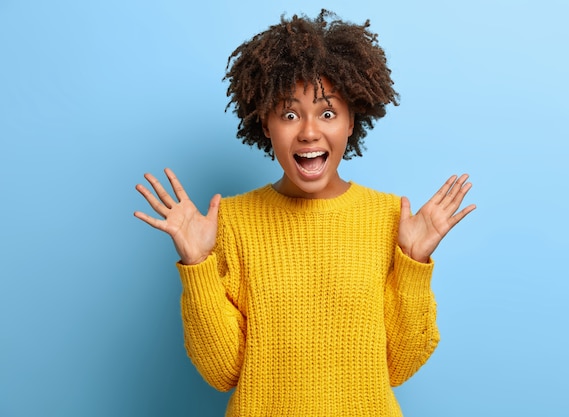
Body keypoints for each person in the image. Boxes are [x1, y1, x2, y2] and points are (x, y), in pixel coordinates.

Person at [134, 9, 475, 416]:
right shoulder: (231, 223)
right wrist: (199, 265)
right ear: (265, 123)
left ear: (352, 121)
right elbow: (222, 372)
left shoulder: (392, 220)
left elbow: (399, 366)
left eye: (328, 113)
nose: (309, 131)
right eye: (290, 114)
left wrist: (414, 263)